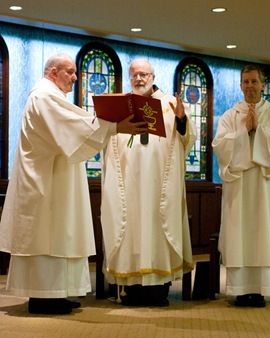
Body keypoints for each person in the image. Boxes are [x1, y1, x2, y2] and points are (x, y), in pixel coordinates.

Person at [0, 53, 148, 315]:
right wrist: (113, 126)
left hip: (57, 176)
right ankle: (44, 296)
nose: (75, 77)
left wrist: (109, 126)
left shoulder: (52, 96)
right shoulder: (43, 96)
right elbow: (72, 125)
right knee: (50, 236)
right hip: (45, 181)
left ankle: (58, 293)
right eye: (70, 71)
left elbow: (74, 124)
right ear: (53, 72)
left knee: (62, 233)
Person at [101, 58, 197, 306]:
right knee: (130, 227)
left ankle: (158, 289)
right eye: (134, 75)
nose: (139, 79)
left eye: (144, 74)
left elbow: (187, 137)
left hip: (158, 185)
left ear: (153, 76)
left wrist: (182, 118)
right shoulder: (121, 105)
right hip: (128, 182)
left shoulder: (169, 104)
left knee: (157, 228)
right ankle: (131, 290)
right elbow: (105, 138)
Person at [212, 64, 270, 307]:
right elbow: (220, 147)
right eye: (245, 82)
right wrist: (244, 131)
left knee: (263, 234)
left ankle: (262, 289)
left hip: (265, 188)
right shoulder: (229, 116)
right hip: (240, 189)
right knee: (240, 235)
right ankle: (240, 290)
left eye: (254, 82)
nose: (250, 87)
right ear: (240, 85)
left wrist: (260, 130)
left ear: (263, 84)